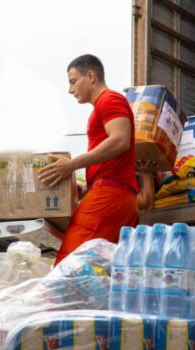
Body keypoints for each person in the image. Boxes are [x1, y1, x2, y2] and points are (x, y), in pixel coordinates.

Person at [39, 54, 139, 264]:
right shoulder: (104, 104)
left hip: (109, 196)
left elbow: (121, 140)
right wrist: (87, 185)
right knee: (99, 274)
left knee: (68, 269)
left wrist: (72, 165)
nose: (70, 89)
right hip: (115, 195)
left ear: (91, 76)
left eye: (73, 81)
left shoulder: (110, 99)